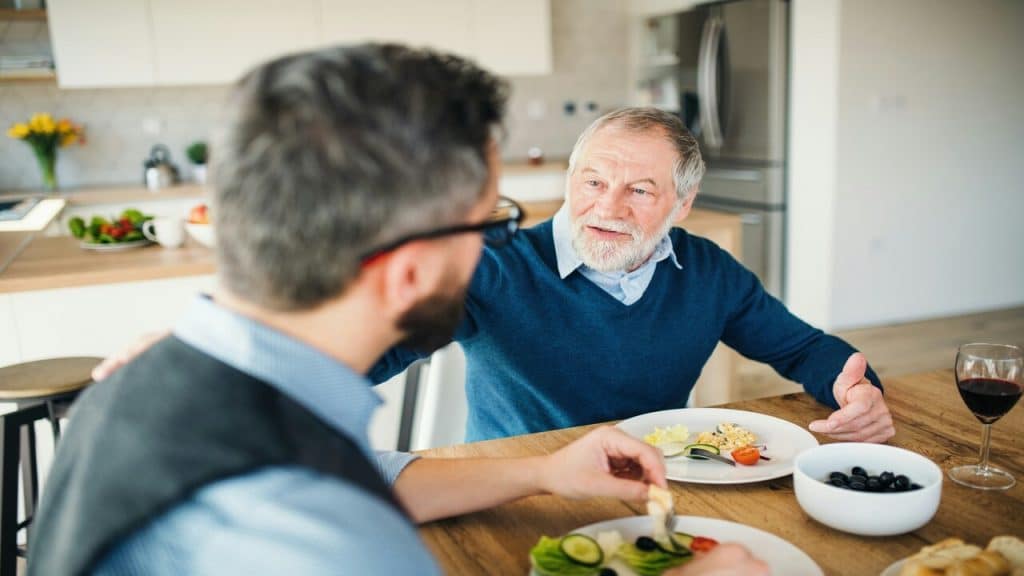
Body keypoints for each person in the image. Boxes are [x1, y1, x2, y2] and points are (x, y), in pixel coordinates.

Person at [30, 45, 766, 576]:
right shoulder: (323, 539)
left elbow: (361, 470)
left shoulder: (167, 379)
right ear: (411, 269)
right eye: (493, 224)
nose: (506, 248)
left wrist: (543, 473)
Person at [94, 106, 894, 446]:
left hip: (658, 479)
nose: (604, 206)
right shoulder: (493, 264)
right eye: (591, 180)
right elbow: (357, 347)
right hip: (515, 490)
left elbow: (805, 351)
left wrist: (859, 393)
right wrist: (223, 354)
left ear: (680, 206)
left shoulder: (709, 273)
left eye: (639, 189)